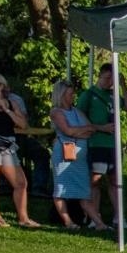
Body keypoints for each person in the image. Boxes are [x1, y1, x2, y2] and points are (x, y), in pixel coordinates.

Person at [77, 63, 127, 229]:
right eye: (107, 78)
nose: (110, 82)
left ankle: (118, 217)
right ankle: (95, 216)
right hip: (97, 143)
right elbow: (80, 118)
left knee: (114, 180)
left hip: (113, 144)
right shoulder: (88, 94)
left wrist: (123, 86)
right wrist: (101, 128)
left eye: (113, 79)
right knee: (95, 180)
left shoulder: (113, 95)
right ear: (99, 76)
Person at [49, 79, 99, 230]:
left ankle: (99, 223)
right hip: (63, 155)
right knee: (61, 188)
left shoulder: (77, 111)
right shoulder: (56, 112)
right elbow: (67, 131)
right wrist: (80, 132)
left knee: (84, 191)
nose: (73, 97)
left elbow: (91, 129)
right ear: (61, 95)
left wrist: (77, 132)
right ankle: (68, 221)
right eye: (70, 94)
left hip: (79, 158)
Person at [0, 72, 38, 229]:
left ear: (0, 86)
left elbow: (23, 125)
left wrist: (7, 111)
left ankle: (23, 218)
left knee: (20, 183)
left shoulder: (11, 103)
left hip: (8, 146)